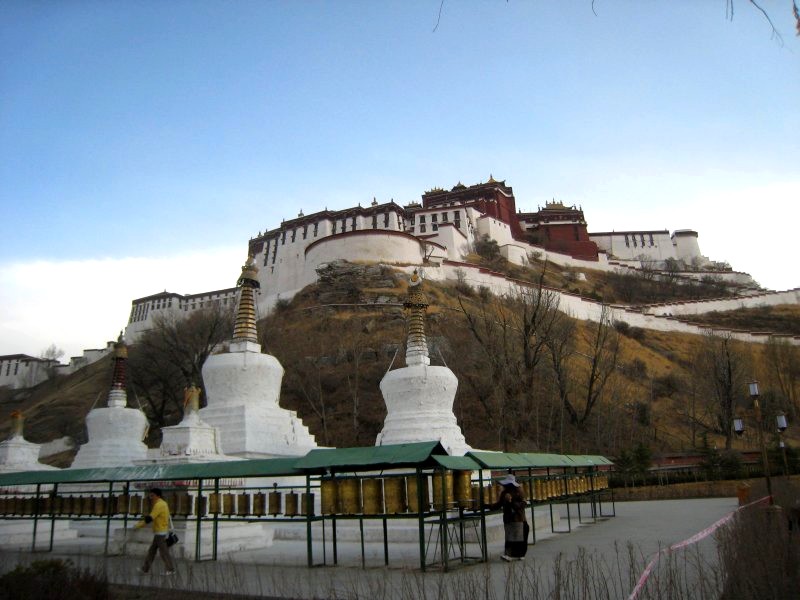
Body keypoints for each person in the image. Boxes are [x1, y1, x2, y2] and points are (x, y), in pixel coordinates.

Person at [135, 487, 176, 575]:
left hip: (160, 532)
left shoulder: (159, 505)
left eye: (152, 495)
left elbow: (150, 517)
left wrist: (138, 525)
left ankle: (170, 569)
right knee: (152, 551)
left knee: (163, 552)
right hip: (160, 531)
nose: (151, 498)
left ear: (158, 496)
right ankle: (145, 568)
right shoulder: (162, 503)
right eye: (150, 495)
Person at [491, 474, 529, 561]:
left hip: (518, 518)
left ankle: (517, 554)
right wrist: (487, 506)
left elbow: (522, 505)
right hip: (508, 518)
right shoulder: (504, 493)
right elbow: (499, 504)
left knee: (517, 538)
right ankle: (509, 554)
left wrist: (511, 501)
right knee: (509, 537)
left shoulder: (519, 493)